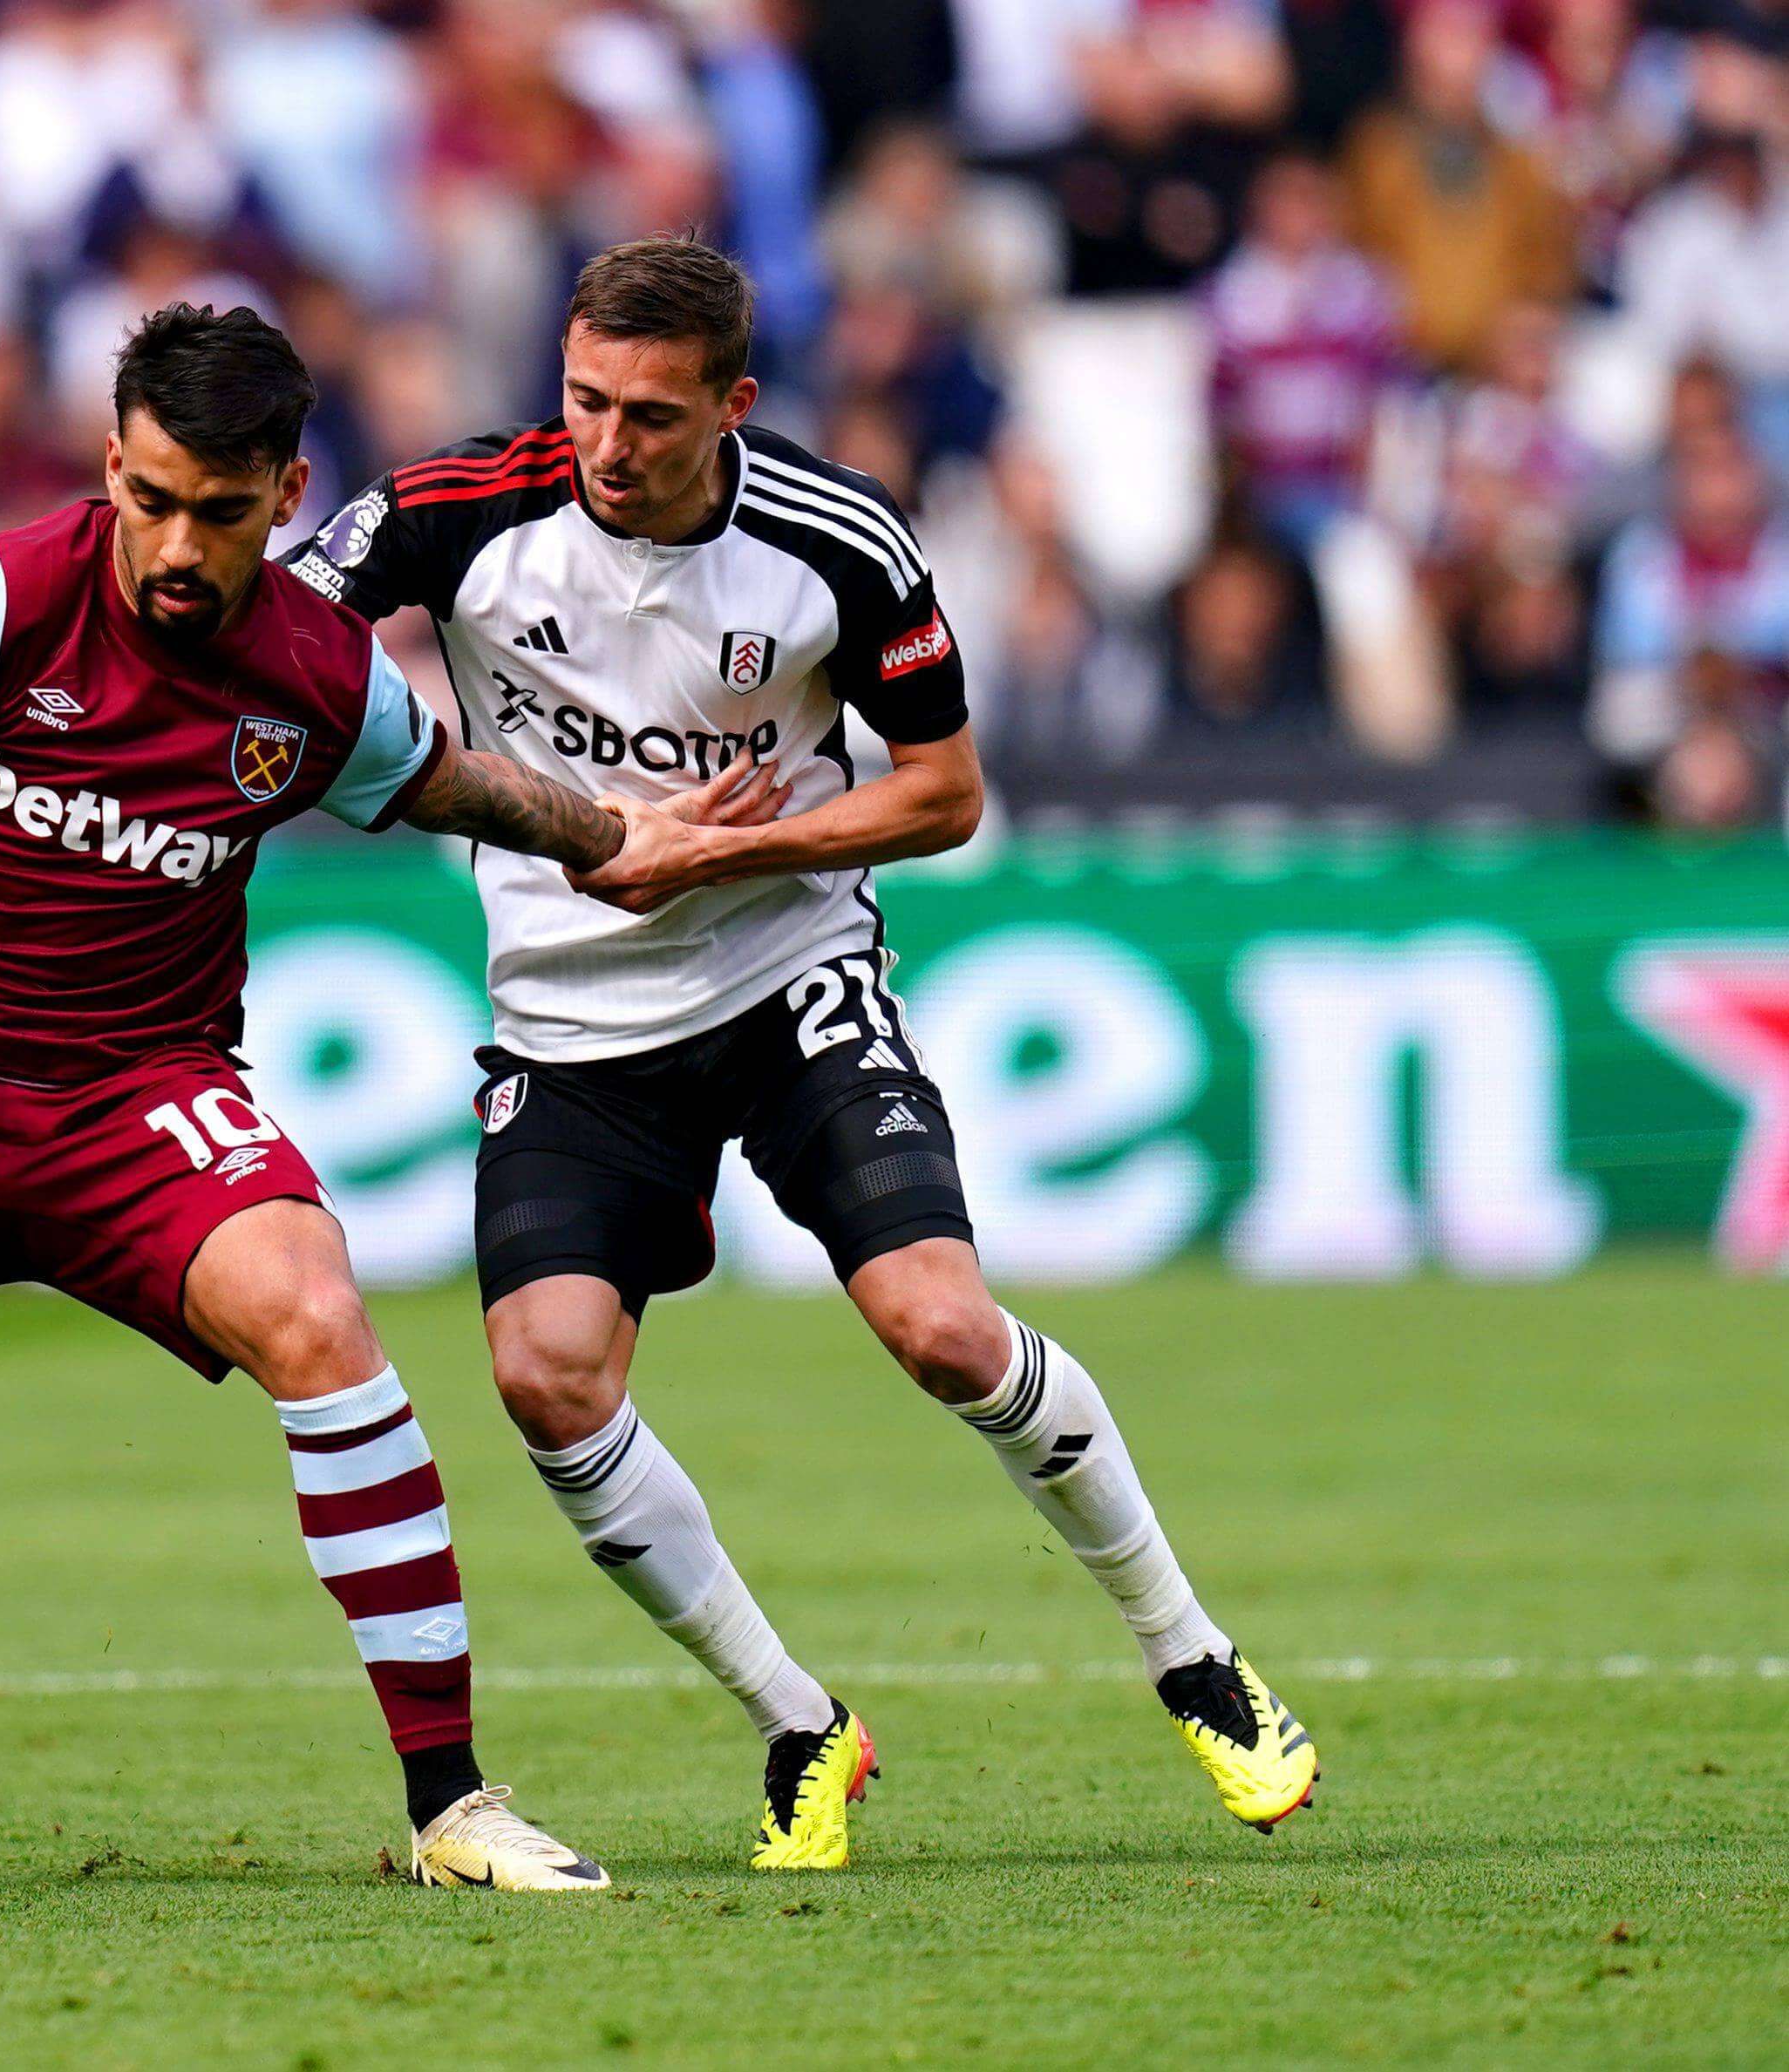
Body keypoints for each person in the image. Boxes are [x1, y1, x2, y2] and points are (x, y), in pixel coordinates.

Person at [0, 304, 721, 1892]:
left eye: (220, 509)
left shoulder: (318, 674)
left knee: (323, 1326)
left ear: (288, 489)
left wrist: (617, 836)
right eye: (148, 497)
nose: (177, 544)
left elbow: (452, 783)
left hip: (142, 1102)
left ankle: (451, 1806)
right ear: (110, 465)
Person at [287, 236, 1317, 1872]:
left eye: (652, 415)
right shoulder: (455, 512)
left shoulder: (836, 544)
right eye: (584, 401)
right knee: (547, 1374)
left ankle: (1189, 1652)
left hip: (785, 976)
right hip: (567, 1021)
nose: (609, 446)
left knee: (939, 1326)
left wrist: (705, 857)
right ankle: (797, 1721)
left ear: (734, 407)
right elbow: (262, 647)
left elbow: (944, 793)